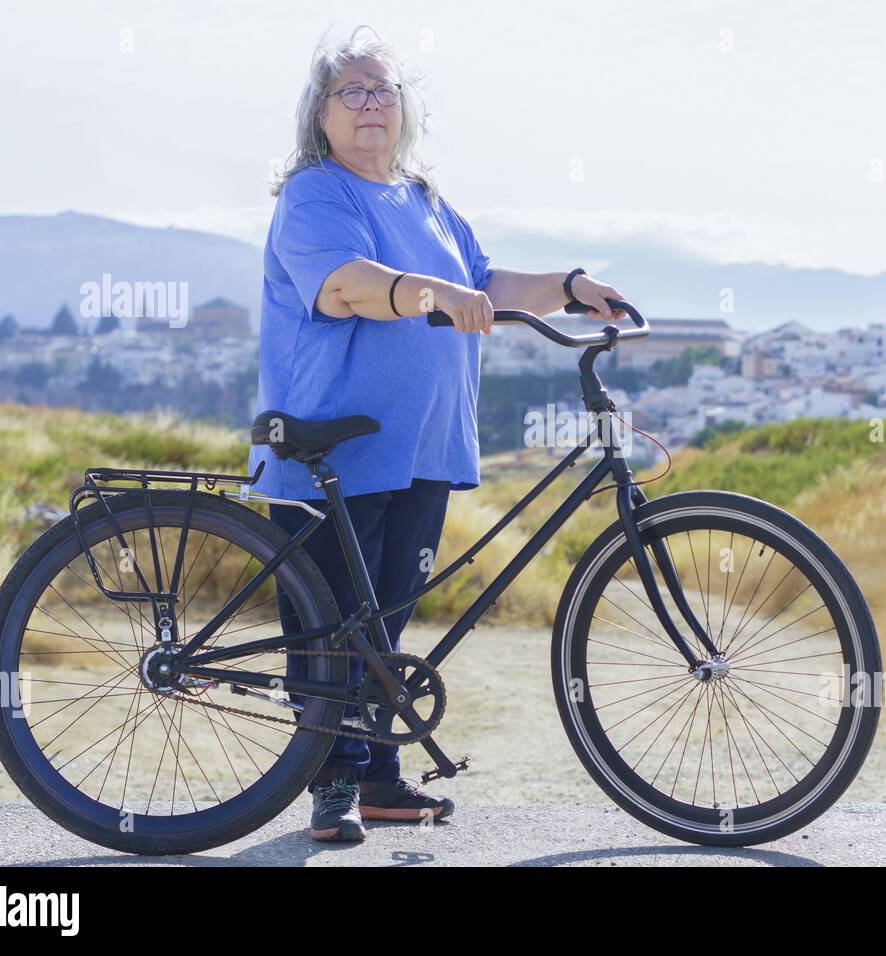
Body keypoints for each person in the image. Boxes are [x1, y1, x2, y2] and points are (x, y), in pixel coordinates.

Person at [251, 26, 627, 843]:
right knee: (332, 631)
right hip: (334, 448)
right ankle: (330, 787)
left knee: (383, 627)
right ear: (320, 115)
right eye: (350, 92)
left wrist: (569, 286)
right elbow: (348, 285)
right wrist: (430, 294)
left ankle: (379, 776)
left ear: (404, 107)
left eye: (383, 90)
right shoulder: (315, 196)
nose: (370, 104)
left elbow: (484, 282)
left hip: (421, 445)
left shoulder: (422, 199)